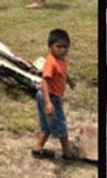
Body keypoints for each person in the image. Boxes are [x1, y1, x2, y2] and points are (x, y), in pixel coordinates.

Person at [31, 29, 76, 161]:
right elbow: (45, 82)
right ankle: (67, 154)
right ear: (50, 46)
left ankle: (37, 149)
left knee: (46, 125)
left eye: (65, 46)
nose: (62, 50)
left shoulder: (61, 60)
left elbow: (63, 72)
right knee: (61, 125)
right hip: (50, 97)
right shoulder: (51, 62)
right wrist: (48, 102)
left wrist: (70, 81)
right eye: (59, 46)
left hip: (48, 97)